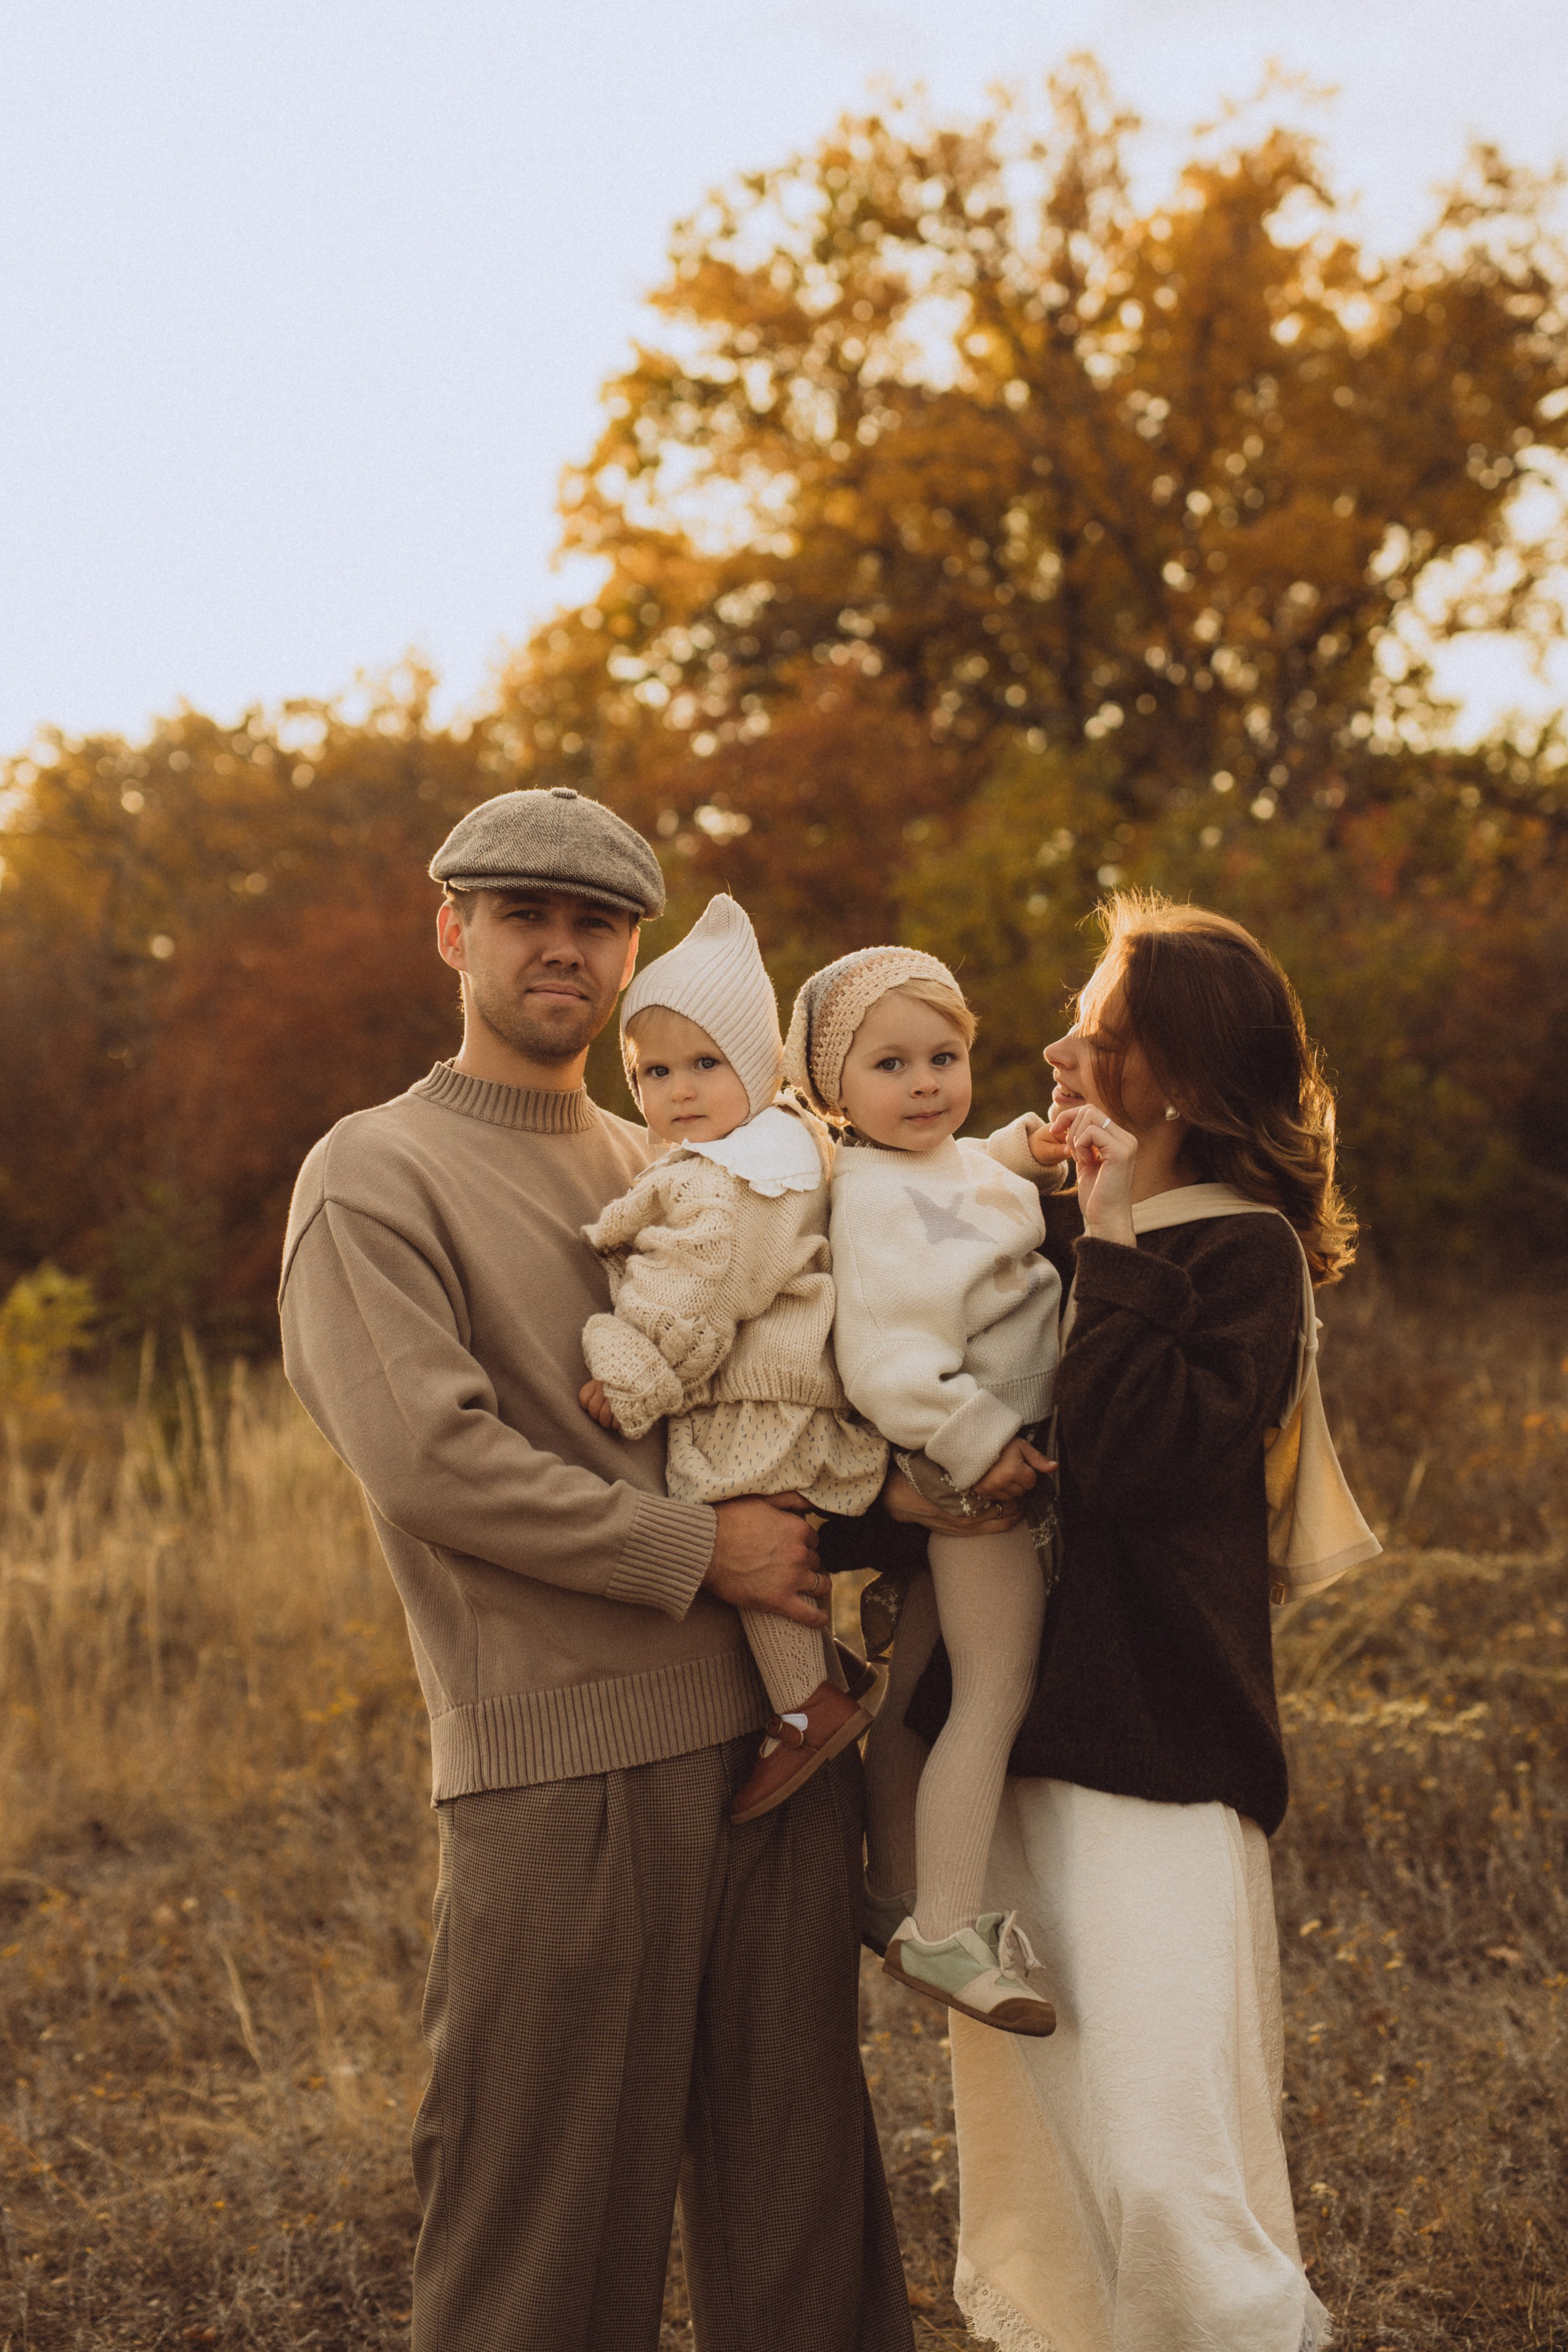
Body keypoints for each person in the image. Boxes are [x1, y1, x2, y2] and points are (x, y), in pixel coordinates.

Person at [277, 787, 914, 2352]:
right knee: (543, 2234)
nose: (560, 947)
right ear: (454, 933)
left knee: (802, 2213)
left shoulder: (681, 1152)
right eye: (523, 915)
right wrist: (697, 1549)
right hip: (561, 1776)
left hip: (773, 1752)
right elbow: (433, 1459)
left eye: (595, 924)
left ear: (631, 954)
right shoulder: (373, 1174)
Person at [886, 894, 1378, 2352]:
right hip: (1012, 1743)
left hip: (1162, 1742)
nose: (1052, 1048)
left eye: (1093, 1034)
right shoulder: (1032, 1221)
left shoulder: (1239, 1259)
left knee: (1171, 2162)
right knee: (1064, 2168)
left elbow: (1134, 1459)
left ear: (1172, 1071)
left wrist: (1101, 1244)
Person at [784, 946, 1063, 2040]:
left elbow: (966, 1183)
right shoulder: (865, 1198)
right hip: (977, 1460)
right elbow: (890, 1359)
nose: (925, 1086)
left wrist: (1023, 1150)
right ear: (832, 1090)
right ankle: (947, 1926)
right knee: (995, 1688)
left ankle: (891, 1886)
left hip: (986, 1442)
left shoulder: (944, 1164)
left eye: (944, 1057)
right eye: (891, 1065)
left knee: (924, 1682)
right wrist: (978, 1440)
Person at [576, 891, 888, 1822]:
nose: (677, 1091)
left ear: (756, 1067)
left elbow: (696, 1291)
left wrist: (631, 1372)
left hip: (757, 1401)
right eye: (652, 1071)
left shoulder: (733, 1180)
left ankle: (807, 1705)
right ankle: (815, 1684)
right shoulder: (776, 1147)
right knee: (768, 1533)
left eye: (705, 1065)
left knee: (746, 1527)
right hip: (786, 1391)